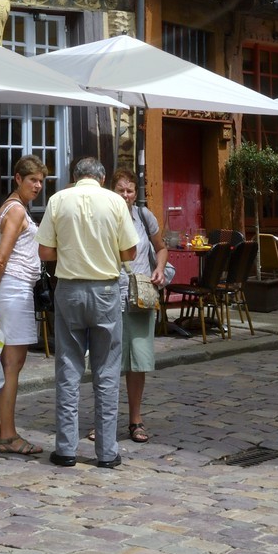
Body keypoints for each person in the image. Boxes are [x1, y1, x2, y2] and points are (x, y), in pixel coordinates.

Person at [37, 155, 138, 469]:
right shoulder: (114, 202)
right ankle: (107, 452)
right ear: (103, 178)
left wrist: (72, 250)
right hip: (105, 290)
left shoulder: (57, 200)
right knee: (107, 372)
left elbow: (45, 251)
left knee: (68, 370)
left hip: (69, 287)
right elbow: (130, 251)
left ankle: (66, 449)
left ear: (75, 175)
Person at [0, 154, 48, 455]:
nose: (38, 186)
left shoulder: (10, 207)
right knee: (13, 364)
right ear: (18, 178)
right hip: (15, 288)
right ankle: (9, 435)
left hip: (11, 288)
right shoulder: (17, 210)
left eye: (41, 182)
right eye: (32, 180)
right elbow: (1, 256)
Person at [110, 168, 167, 443]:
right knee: (108, 360)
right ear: (112, 191)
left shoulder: (144, 216)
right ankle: (105, 419)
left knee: (137, 361)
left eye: (129, 190)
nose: (125, 194)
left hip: (141, 295)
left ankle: (135, 420)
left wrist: (160, 268)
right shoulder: (105, 216)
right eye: (120, 189)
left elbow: (161, 247)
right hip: (111, 293)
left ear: (136, 192)